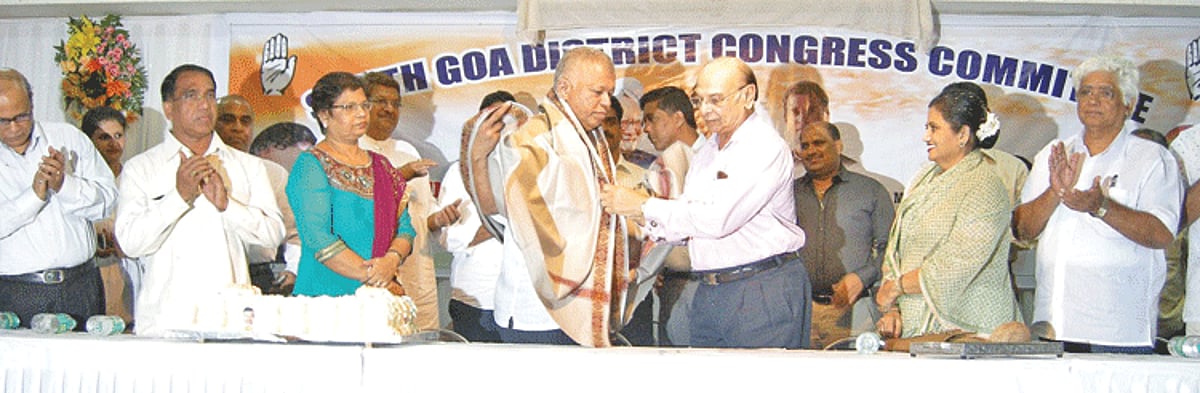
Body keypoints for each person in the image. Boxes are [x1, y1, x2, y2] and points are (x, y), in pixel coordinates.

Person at [600, 57, 810, 349]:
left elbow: (716, 219)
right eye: (700, 100)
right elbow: (688, 221)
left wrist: (642, 206)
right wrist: (641, 222)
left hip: (760, 289)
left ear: (748, 96)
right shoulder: (708, 151)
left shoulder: (763, 147)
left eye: (716, 99)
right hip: (711, 290)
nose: (705, 111)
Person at [1015, 56, 1182, 353]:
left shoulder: (1151, 159)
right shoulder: (1053, 155)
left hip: (1118, 334)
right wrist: (1055, 192)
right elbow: (1023, 230)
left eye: (1106, 93)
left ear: (1128, 104)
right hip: (1053, 327)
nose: (1093, 100)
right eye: (1085, 92)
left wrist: (1102, 207)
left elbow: (1161, 234)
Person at [467, 47, 626, 347]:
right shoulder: (529, 139)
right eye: (598, 92)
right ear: (564, 88)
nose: (606, 102)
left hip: (583, 306)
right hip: (534, 310)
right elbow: (501, 210)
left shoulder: (592, 140)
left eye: (610, 92)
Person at [115, 64, 285, 335]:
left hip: (230, 321)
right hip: (165, 322)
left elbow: (271, 237)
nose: (204, 105)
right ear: (169, 108)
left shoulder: (248, 167)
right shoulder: (141, 168)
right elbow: (131, 243)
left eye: (209, 95)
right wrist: (179, 197)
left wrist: (227, 206)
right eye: (191, 95)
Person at [0, 68, 118, 329]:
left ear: (32, 104)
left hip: (81, 285)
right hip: (16, 291)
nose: (14, 128)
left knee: (85, 369)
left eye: (21, 116)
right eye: (3, 121)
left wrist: (65, 186)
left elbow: (109, 201)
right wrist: (34, 195)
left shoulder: (68, 138)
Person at [287, 72, 415, 298]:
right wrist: (374, 276)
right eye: (348, 107)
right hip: (327, 296)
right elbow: (318, 236)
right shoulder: (310, 165)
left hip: (379, 293)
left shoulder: (381, 165)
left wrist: (391, 260)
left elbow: (405, 228)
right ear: (324, 115)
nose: (361, 114)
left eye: (364, 105)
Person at [357, 71, 447, 331]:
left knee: (421, 346)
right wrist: (402, 175)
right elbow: (361, 207)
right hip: (375, 273)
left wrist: (440, 219)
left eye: (395, 104)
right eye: (380, 102)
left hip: (418, 268)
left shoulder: (407, 150)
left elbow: (424, 215)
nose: (389, 109)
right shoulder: (352, 150)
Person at [794, 121, 893, 348]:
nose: (811, 151)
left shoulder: (871, 191)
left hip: (857, 312)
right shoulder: (788, 193)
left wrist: (862, 277)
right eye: (805, 145)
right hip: (801, 313)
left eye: (819, 143)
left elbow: (890, 249)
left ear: (838, 146)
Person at [437, 92, 516, 343]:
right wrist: (506, 223)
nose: (498, 127)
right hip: (476, 299)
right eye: (491, 120)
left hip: (519, 303)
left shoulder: (526, 170)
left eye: (505, 119)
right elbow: (451, 239)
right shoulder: (459, 171)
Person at [638, 85, 703, 346]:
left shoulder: (721, 159)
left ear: (678, 118)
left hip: (720, 283)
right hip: (675, 286)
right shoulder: (660, 168)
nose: (645, 129)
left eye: (651, 119)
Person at [80, 106, 136, 323]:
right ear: (88, 140)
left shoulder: (135, 175)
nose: (114, 144)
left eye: (118, 136)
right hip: (90, 271)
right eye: (104, 137)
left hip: (128, 270)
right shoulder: (79, 182)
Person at [248, 122, 318, 295]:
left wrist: (293, 270)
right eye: (303, 155)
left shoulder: (281, 178)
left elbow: (295, 234)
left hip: (267, 276)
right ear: (267, 150)